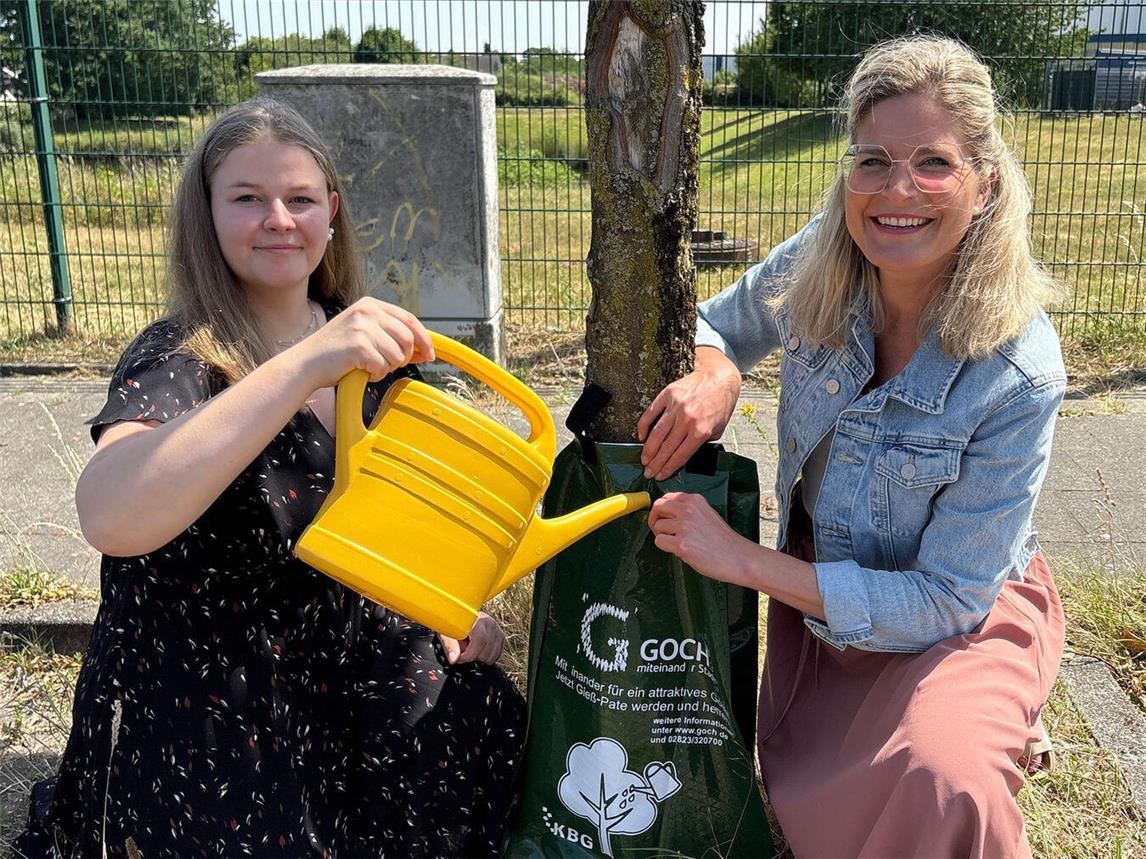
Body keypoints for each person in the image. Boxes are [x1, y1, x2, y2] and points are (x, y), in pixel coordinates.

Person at [16, 97, 524, 858]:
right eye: (248, 198)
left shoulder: (368, 352)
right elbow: (110, 512)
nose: (279, 219)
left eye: (300, 198)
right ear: (208, 214)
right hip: (208, 685)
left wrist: (448, 610)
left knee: (479, 710)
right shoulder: (181, 355)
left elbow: (402, 532)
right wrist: (304, 366)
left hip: (331, 659)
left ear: (333, 213)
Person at [640, 37, 1065, 858]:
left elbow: (947, 596)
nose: (897, 189)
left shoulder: (1020, 372)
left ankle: (990, 708)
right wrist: (718, 372)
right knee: (806, 804)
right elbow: (719, 323)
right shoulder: (823, 256)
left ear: (986, 183)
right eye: (873, 160)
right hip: (830, 601)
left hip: (955, 617)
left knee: (947, 781)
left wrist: (744, 562)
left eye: (933, 162)